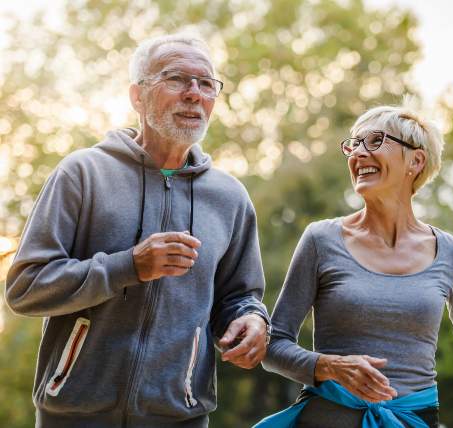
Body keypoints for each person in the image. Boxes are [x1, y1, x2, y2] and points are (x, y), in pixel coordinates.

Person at [5, 33, 270, 428]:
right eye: (177, 79)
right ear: (137, 96)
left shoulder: (229, 196)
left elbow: (239, 296)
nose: (194, 94)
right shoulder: (83, 174)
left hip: (180, 415)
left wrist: (251, 320)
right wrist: (128, 266)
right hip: (75, 414)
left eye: (207, 83)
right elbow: (26, 287)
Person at [258, 104, 453, 427]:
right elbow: (272, 346)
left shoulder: (452, 253)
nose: (358, 154)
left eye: (375, 141)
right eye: (353, 145)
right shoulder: (320, 240)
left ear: (416, 161)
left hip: (415, 420)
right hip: (328, 418)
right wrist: (331, 366)